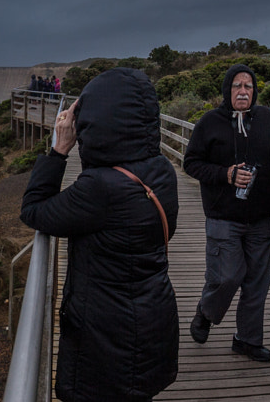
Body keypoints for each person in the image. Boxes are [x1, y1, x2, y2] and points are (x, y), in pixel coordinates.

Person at [22, 67, 179, 400]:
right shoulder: (162, 170)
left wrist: (58, 150)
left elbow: (33, 210)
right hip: (153, 322)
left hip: (106, 339)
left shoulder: (99, 189)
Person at [184, 64, 270, 361]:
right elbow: (191, 163)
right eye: (237, 85)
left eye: (248, 86)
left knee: (257, 284)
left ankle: (247, 340)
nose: (243, 91)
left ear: (255, 91)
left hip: (262, 219)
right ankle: (205, 312)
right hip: (223, 216)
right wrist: (225, 174)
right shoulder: (209, 123)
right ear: (227, 90)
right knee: (228, 276)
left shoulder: (267, 119)